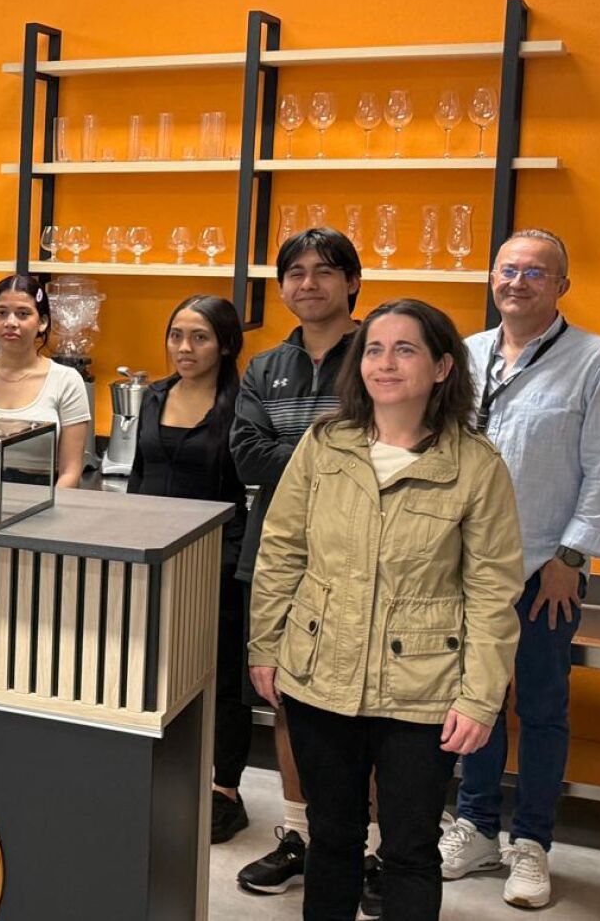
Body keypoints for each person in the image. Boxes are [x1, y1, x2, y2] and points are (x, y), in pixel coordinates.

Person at [249, 298, 524, 921]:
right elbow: (282, 549)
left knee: (409, 850)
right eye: (374, 349)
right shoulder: (326, 443)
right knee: (332, 837)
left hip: (424, 690)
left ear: (442, 367)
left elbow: (492, 591)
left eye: (405, 349)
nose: (385, 363)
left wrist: (480, 697)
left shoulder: (476, 466)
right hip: (320, 674)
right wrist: (265, 644)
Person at [442, 229, 600, 909]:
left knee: (541, 707)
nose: (518, 282)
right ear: (492, 279)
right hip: (465, 563)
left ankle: (533, 843)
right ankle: (477, 827)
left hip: (547, 568)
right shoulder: (466, 352)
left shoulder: (596, 359)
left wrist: (573, 556)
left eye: (536, 272)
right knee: (474, 699)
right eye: (508, 270)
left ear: (561, 286)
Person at [230, 228, 374, 901]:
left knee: (366, 704)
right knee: (286, 698)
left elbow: (389, 448)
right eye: (295, 272)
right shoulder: (265, 367)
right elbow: (247, 455)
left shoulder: (380, 354)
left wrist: (306, 460)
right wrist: (331, 460)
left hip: (363, 559)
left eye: (324, 270)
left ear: (352, 282)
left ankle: (364, 848)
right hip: (276, 554)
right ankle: (298, 835)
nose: (308, 283)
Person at [126, 295, 252, 844]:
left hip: (218, 557)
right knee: (154, 665)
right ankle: (163, 776)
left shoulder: (242, 404)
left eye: (199, 337)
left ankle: (225, 790)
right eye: (176, 335)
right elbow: (139, 475)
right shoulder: (155, 395)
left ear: (225, 345)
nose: (184, 347)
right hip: (154, 555)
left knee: (222, 676)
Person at [0, 274, 91, 487]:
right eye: (1, 313)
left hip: (45, 494)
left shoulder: (67, 381)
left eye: (23, 314)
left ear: (42, 322)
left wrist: (53, 505)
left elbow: (71, 471)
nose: (11, 323)